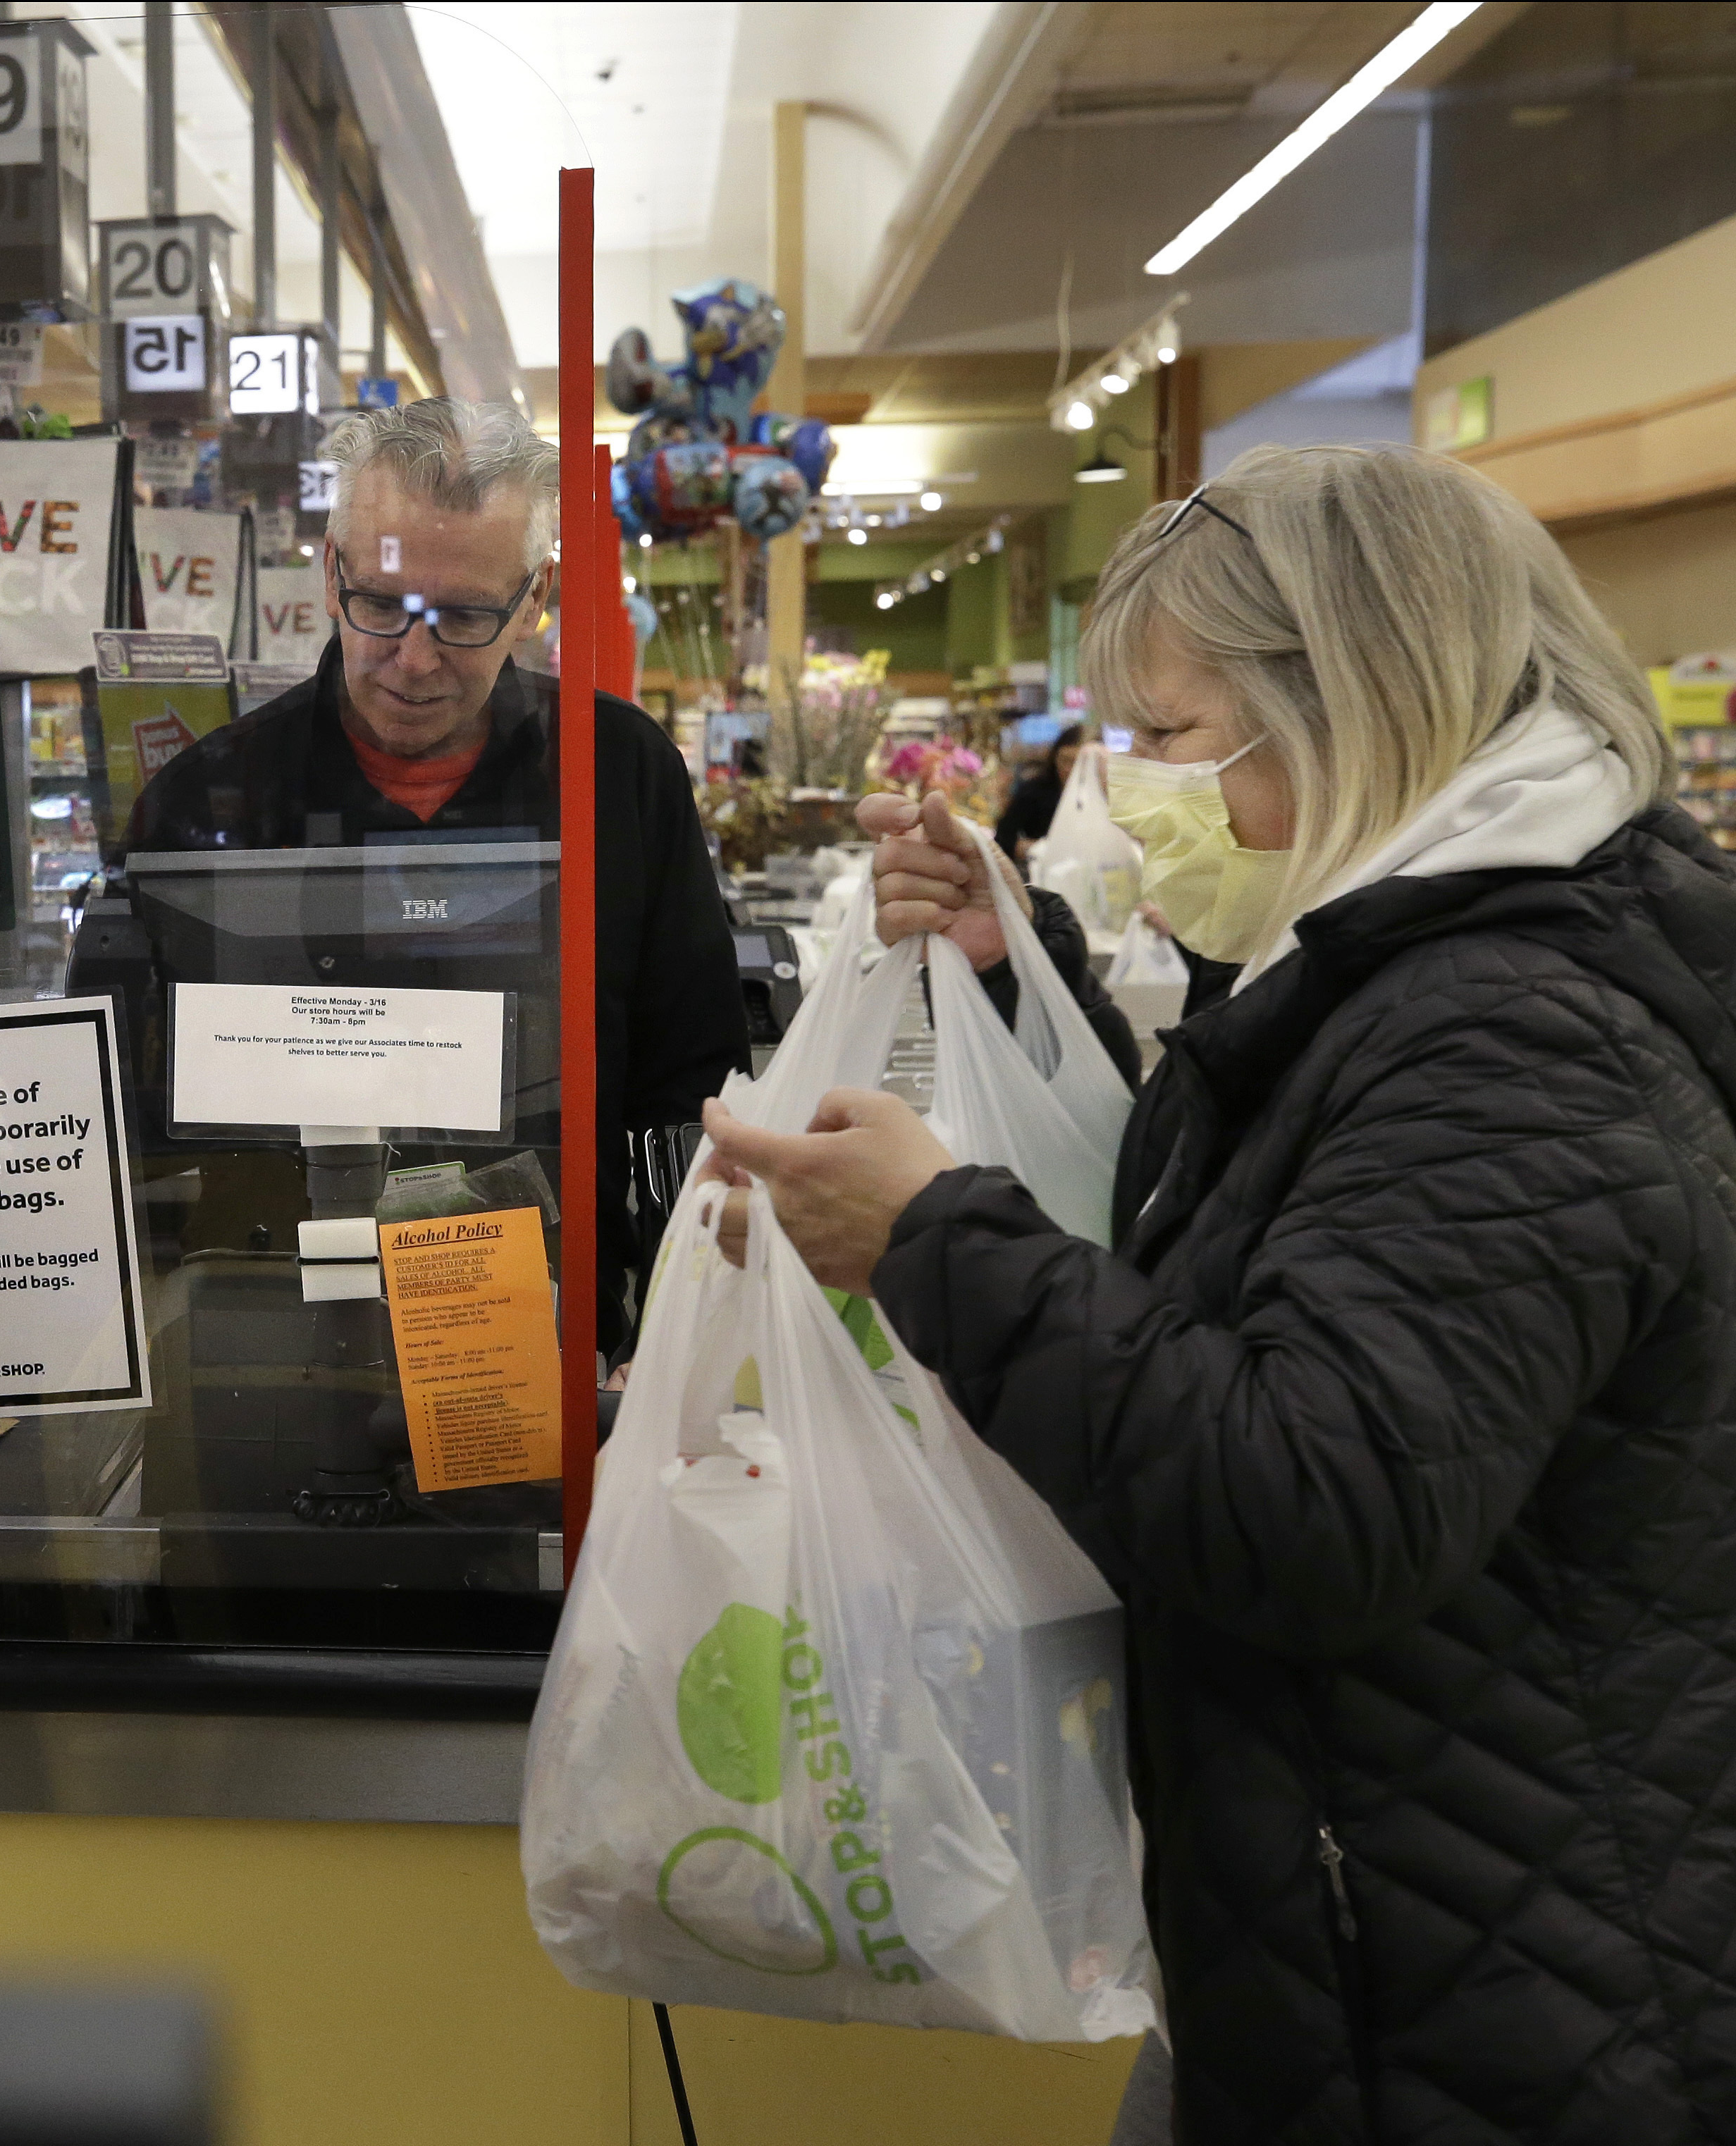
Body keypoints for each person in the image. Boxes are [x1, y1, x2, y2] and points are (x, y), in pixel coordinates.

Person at [703, 443, 1736, 2142]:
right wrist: (1013, 975)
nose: (1128, 790)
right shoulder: (1401, 962)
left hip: (1491, 1998)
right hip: (1394, 1922)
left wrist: (931, 1242)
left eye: (1170, 739)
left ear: (1351, 701)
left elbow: (1308, 1492)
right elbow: (1243, 1239)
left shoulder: (1511, 1031)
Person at [128, 395, 751, 1346]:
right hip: (270, 1343)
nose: (414, 661)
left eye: (462, 616)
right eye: (382, 605)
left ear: (535, 599)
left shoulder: (617, 774)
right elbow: (139, 1131)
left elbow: (694, 1093)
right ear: (333, 577)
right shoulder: (209, 799)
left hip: (552, 1342)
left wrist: (676, 1337)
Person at [993, 722, 1085, 862]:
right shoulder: (1033, 791)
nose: (1070, 769)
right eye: (1065, 760)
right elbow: (1003, 840)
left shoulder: (1106, 797)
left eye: (1078, 762)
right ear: (1054, 758)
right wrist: (1040, 849)